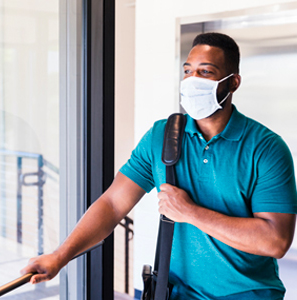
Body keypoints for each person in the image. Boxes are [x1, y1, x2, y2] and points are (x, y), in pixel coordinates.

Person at [21, 33, 297, 299]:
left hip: (247, 294)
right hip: (174, 292)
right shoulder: (162, 136)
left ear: (233, 82)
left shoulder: (266, 148)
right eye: (188, 71)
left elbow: (275, 241)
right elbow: (113, 204)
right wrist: (60, 256)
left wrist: (190, 212)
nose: (191, 81)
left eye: (205, 72)